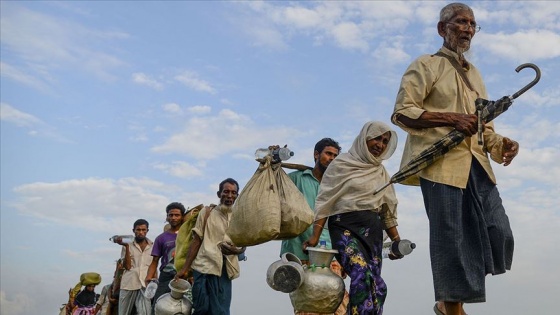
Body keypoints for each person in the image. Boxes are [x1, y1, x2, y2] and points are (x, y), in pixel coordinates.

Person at [391, 3, 517, 315]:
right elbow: (403, 112)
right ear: (442, 28)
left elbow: (483, 125)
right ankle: (450, 304)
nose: (468, 29)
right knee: (451, 238)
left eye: (473, 24)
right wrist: (450, 118)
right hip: (440, 166)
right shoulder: (426, 64)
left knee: (499, 231)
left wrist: (503, 144)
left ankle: (454, 293)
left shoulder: (474, 74)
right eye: (461, 22)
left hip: (477, 165)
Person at [304, 121, 404, 315]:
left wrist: (397, 242)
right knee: (361, 275)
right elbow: (325, 202)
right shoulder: (341, 164)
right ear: (364, 138)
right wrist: (315, 236)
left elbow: (386, 213)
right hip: (344, 229)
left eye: (385, 141)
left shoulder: (381, 173)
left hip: (372, 233)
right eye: (377, 138)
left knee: (378, 286)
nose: (380, 145)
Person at [279, 138, 349, 315]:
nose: (331, 159)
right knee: (307, 308)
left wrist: (344, 259)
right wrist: (273, 163)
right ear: (316, 154)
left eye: (335, 156)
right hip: (299, 255)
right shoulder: (296, 179)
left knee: (339, 307)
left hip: (329, 256)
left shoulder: (335, 187)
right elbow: (272, 193)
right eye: (328, 154)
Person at [175, 178, 245, 315]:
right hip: (203, 268)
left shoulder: (240, 217)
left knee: (220, 311)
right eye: (226, 192)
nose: (229, 196)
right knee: (201, 309)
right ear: (219, 194)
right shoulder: (207, 212)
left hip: (224, 270)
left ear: (237, 195)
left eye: (233, 193)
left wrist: (236, 250)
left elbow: (243, 245)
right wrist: (184, 269)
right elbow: (196, 240)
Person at [145, 202, 186, 311]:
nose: (173, 218)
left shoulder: (189, 234)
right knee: (158, 306)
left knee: (184, 308)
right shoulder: (161, 238)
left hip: (185, 276)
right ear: (167, 217)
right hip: (166, 275)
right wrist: (149, 277)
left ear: (182, 217)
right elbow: (155, 261)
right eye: (170, 215)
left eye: (177, 215)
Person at [116, 219, 153, 315]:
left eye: (143, 230)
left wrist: (154, 281)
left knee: (145, 312)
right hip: (129, 284)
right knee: (123, 313)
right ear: (134, 231)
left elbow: (153, 265)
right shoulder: (127, 245)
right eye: (138, 230)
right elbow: (127, 266)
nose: (141, 232)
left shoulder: (152, 246)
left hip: (145, 285)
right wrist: (127, 247)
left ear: (147, 231)